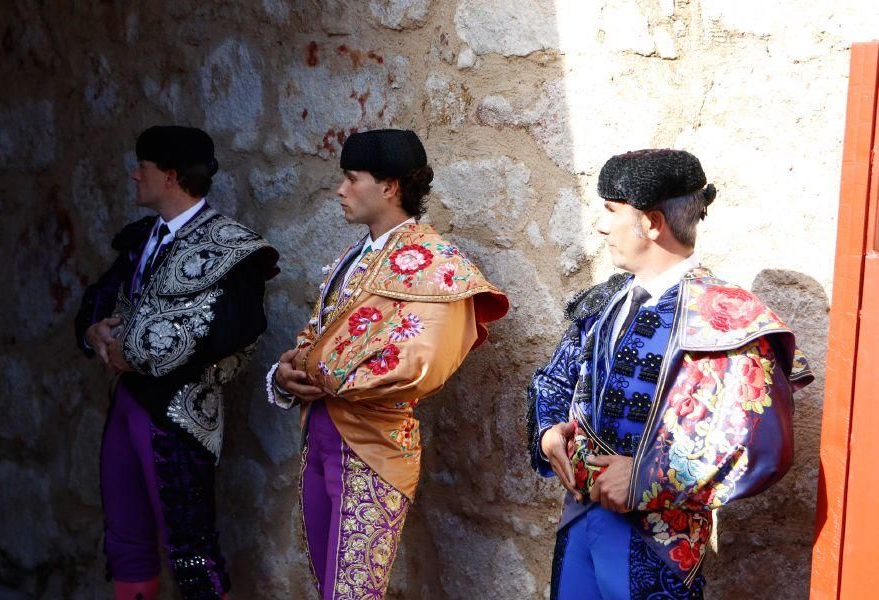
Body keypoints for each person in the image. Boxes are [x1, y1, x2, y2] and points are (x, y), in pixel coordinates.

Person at [526, 149, 814, 599]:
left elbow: (757, 439)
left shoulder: (726, 316)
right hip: (579, 517)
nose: (601, 226)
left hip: (659, 538)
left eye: (612, 211)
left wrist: (645, 475)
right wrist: (548, 431)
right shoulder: (607, 300)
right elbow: (556, 378)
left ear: (652, 223)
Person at [267, 129, 509, 599]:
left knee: (353, 594)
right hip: (318, 435)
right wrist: (285, 372)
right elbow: (313, 338)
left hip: (374, 446)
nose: (340, 190)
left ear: (389, 187)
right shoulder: (352, 258)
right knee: (329, 587)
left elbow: (423, 364)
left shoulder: (438, 264)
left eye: (352, 178)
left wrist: (316, 370)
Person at [75, 126, 279, 600]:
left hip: (181, 412)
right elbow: (98, 298)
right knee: (127, 540)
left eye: (141, 167)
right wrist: (94, 330)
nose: (133, 175)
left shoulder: (233, 247)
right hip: (127, 404)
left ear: (169, 176)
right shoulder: (140, 238)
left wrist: (139, 350)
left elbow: (236, 327)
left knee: (190, 550)